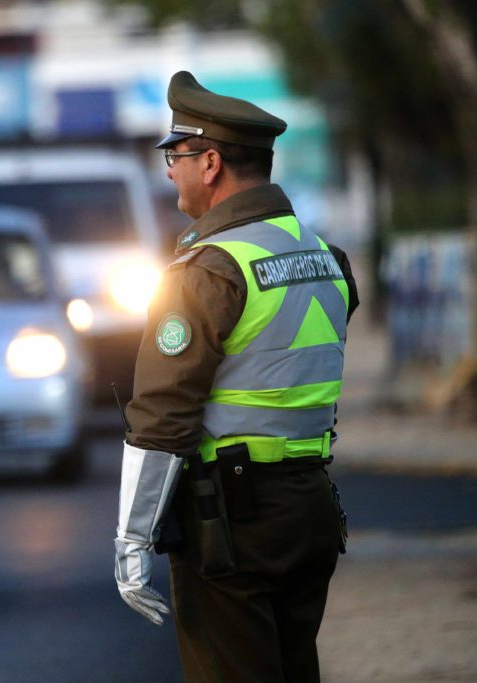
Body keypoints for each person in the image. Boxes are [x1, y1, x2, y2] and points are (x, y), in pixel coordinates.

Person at [114, 71, 359, 682]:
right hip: (308, 506)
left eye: (176, 154)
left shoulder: (206, 272)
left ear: (212, 162)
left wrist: (132, 539)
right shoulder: (326, 257)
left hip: (231, 522)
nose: (170, 168)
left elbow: (162, 413)